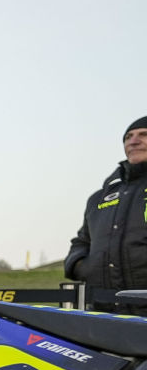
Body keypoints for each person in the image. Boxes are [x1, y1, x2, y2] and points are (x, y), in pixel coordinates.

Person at [64, 115, 147, 308]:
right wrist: (80, 266)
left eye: (143, 135)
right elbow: (82, 242)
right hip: (104, 313)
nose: (133, 141)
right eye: (128, 137)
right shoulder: (98, 198)